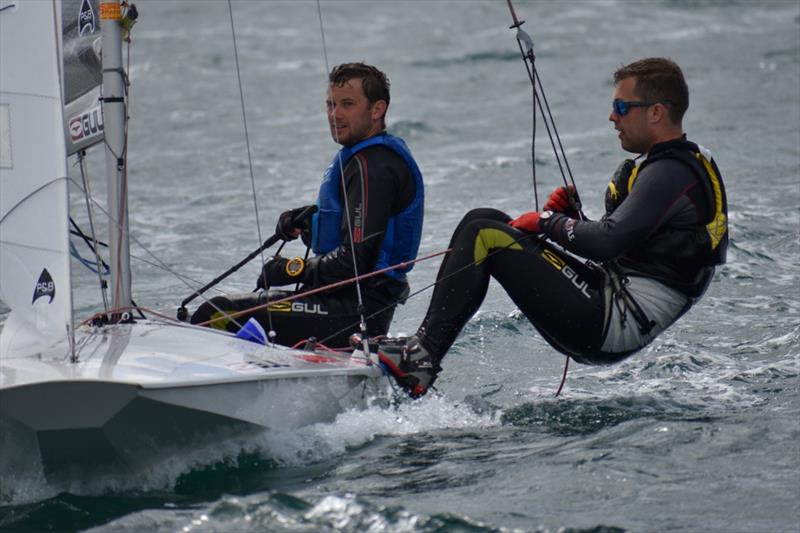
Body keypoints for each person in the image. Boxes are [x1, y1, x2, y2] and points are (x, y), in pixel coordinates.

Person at [375, 57, 728, 398]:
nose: (611, 117)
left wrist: (550, 222)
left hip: (610, 322)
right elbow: (626, 246)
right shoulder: (671, 166)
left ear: (656, 112)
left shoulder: (669, 173)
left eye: (621, 108)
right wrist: (574, 220)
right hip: (610, 300)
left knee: (484, 234)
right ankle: (420, 348)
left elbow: (608, 243)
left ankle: (422, 357)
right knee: (482, 218)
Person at [191, 63, 424, 348]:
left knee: (217, 313)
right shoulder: (364, 159)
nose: (335, 114)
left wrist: (291, 269)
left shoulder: (372, 167)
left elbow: (356, 262)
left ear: (377, 109)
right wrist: (309, 223)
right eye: (330, 104)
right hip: (341, 303)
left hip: (352, 310)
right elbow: (354, 227)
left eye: (347, 104)